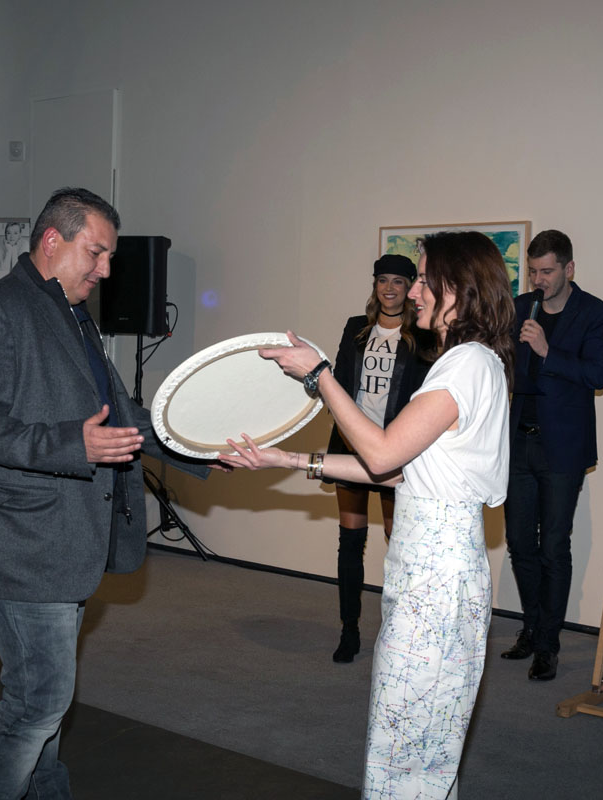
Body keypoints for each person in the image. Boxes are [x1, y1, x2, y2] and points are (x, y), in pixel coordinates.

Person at [222, 231, 515, 799]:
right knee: (419, 747)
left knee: (407, 750)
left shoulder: (464, 366)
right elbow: (401, 470)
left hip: (435, 581)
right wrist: (287, 459)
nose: (415, 292)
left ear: (460, 287)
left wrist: (320, 375)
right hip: (435, 573)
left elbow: (381, 455)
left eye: (425, 279)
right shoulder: (471, 363)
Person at [0, 187, 211, 799]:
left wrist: (201, 449)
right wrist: (74, 445)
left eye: (109, 256)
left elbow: (122, 415)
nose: (106, 270)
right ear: (51, 240)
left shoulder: (71, 312)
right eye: (97, 252)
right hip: (19, 542)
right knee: (37, 703)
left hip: (62, 541)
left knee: (46, 703)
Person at [500, 229, 603, 681]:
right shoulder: (520, 308)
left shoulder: (596, 314)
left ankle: (548, 643)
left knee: (553, 547)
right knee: (519, 543)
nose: (539, 280)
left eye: (547, 271)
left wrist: (547, 351)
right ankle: (530, 628)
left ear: (569, 268)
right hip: (518, 442)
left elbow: (597, 374)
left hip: (562, 448)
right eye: (533, 271)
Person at [325, 253, 433, 663]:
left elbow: (421, 398)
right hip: (350, 447)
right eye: (382, 280)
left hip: (394, 450)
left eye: (398, 281)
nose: (389, 288)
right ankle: (349, 630)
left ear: (410, 288)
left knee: (399, 545)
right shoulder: (356, 328)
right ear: (375, 285)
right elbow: (338, 384)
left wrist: (395, 444)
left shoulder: (421, 334)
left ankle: (400, 632)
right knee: (350, 543)